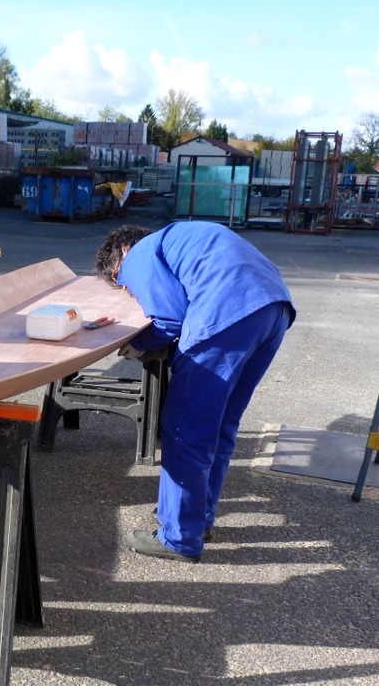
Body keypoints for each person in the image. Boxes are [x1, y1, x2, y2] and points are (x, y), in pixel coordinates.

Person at [95, 222, 295, 563]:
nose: (127, 289)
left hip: (225, 314)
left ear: (122, 254)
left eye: (121, 281)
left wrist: (138, 343)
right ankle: (197, 520)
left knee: (185, 429)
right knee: (220, 425)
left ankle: (179, 538)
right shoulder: (182, 239)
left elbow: (169, 318)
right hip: (273, 311)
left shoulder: (139, 253)